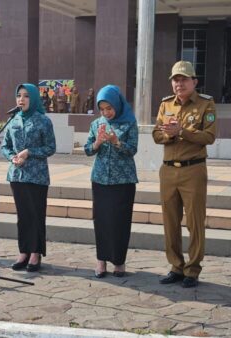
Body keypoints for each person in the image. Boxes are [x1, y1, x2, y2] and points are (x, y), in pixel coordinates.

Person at [153, 61, 217, 288]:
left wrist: (182, 131)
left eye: (184, 79)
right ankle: (176, 266)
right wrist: (169, 135)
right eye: (175, 80)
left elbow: (209, 137)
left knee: (194, 222)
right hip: (168, 170)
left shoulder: (205, 104)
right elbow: (156, 135)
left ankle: (193, 269)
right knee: (170, 221)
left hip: (193, 170)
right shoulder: (165, 105)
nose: (179, 83)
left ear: (194, 81)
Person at [84, 85, 138, 278]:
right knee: (101, 221)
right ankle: (101, 261)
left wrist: (116, 142)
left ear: (117, 104)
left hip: (123, 181)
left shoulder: (129, 122)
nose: (106, 112)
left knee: (120, 221)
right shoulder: (96, 124)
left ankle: (119, 261)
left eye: (109, 108)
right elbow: (88, 149)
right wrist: (97, 143)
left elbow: (132, 149)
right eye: (103, 109)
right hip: (100, 180)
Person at [2, 83, 56, 272]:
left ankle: (35, 253)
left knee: (35, 215)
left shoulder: (43, 120)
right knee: (23, 216)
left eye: (26, 96)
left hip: (37, 176)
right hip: (17, 175)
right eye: (19, 96)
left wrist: (29, 152)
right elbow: (5, 145)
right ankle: (23, 251)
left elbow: (50, 148)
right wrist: (12, 157)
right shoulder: (13, 120)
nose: (21, 99)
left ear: (33, 99)